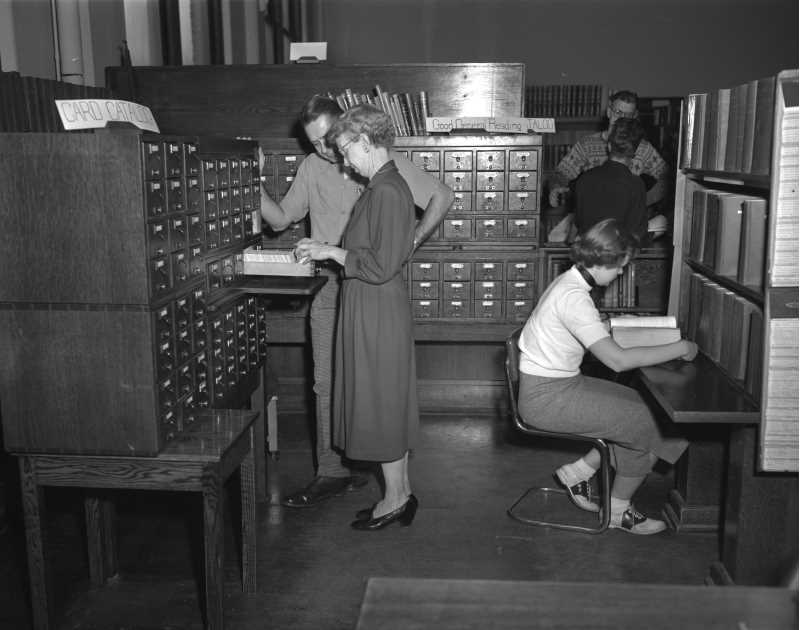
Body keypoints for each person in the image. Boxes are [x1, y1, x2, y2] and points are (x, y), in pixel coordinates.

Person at [260, 95, 453, 508]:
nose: (325, 152)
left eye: (330, 140)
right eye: (314, 144)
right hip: (329, 286)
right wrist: (247, 179)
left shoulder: (377, 164)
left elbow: (442, 196)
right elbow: (279, 220)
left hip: (369, 283)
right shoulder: (313, 167)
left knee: (377, 384)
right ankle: (332, 471)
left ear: (347, 132)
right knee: (327, 382)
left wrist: (409, 244)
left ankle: (388, 480)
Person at [516, 218, 698, 535]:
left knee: (646, 409)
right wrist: (679, 347)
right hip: (547, 399)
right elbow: (617, 361)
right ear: (604, 261)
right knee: (650, 423)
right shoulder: (574, 297)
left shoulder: (570, 283)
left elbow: (585, 330)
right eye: (620, 267)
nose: (622, 273)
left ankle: (579, 472)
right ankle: (618, 512)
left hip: (557, 385)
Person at [294, 104, 419, 530]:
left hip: (376, 307)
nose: (344, 162)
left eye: (347, 151)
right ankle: (399, 494)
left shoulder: (385, 190)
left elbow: (380, 265)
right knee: (387, 402)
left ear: (366, 142)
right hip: (375, 306)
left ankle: (396, 499)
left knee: (381, 403)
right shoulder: (385, 184)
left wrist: (330, 250)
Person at [547, 90, 669, 235]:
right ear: (609, 112)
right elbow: (561, 173)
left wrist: (642, 201)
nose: (621, 119)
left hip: (626, 222)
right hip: (592, 221)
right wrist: (555, 187)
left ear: (635, 117)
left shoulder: (643, 148)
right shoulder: (587, 144)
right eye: (618, 112)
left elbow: (668, 178)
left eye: (627, 115)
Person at [573, 118, 648, 245]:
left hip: (586, 254)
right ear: (635, 152)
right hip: (614, 258)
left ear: (608, 146)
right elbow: (636, 234)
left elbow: (579, 223)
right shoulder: (636, 185)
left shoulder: (584, 179)